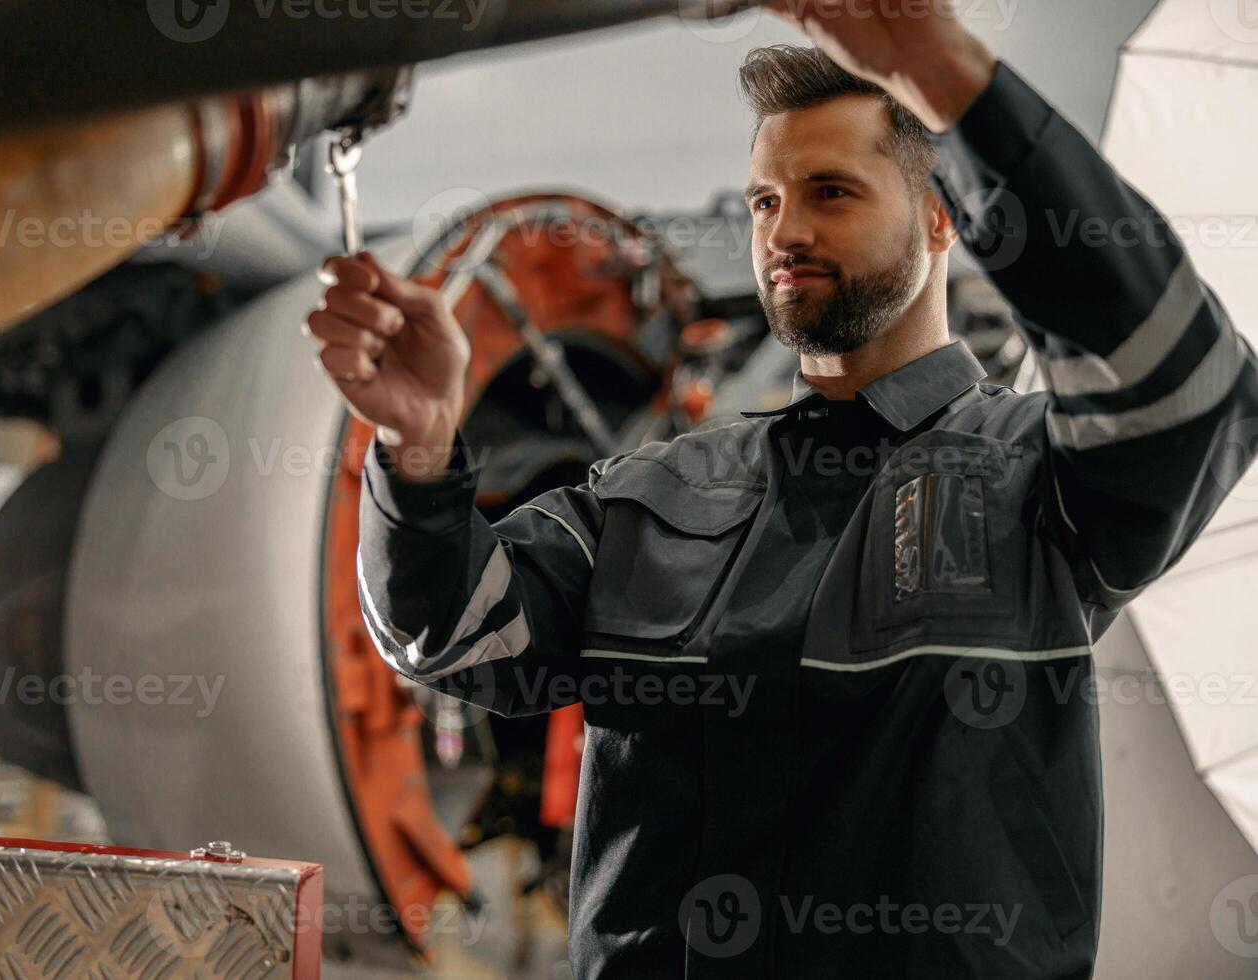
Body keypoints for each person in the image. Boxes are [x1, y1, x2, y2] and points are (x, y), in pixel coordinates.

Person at [303, 3, 1258, 976]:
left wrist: (948, 74)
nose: (784, 231)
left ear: (941, 214)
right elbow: (454, 631)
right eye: (764, 200)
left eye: (830, 190)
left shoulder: (1038, 481)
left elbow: (1185, 383)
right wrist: (418, 445)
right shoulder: (650, 495)